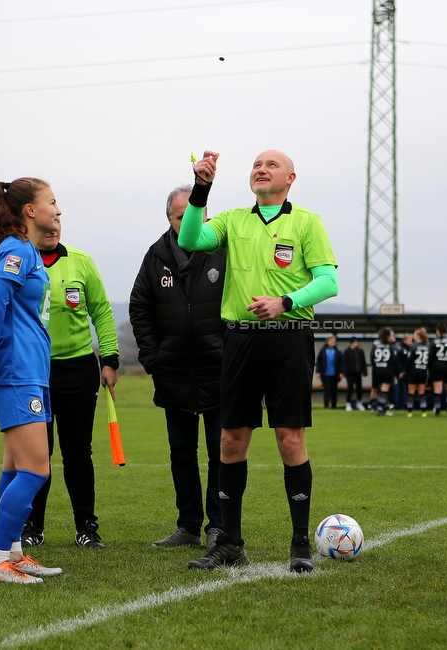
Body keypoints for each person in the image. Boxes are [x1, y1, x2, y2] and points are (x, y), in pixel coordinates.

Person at [178, 150, 338, 573]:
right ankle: (230, 541)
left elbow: (329, 281)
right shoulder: (233, 219)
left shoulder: (306, 221)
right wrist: (201, 189)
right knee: (231, 440)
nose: (260, 169)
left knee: (290, 438)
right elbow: (189, 239)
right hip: (241, 341)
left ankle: (300, 542)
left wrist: (286, 301)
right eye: (255, 165)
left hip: (289, 339)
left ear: (290, 177)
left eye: (270, 165)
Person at [0, 177, 63, 584]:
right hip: (14, 374)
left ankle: (14, 553)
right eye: (52, 202)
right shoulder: (14, 250)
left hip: (30, 373)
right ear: (29, 211)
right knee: (36, 471)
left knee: (15, 466)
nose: (58, 210)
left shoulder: (28, 251)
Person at [130, 184, 227, 549]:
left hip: (218, 371)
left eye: (193, 214)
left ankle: (218, 526)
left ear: (205, 215)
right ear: (169, 218)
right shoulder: (155, 256)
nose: (185, 220)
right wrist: (154, 358)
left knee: (221, 454)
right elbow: (139, 307)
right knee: (182, 455)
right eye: (177, 215)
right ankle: (188, 526)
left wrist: (229, 352)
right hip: (173, 374)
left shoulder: (223, 249)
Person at [20, 221, 119, 550]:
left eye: (58, 223)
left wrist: (110, 358)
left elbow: (102, 311)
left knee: (78, 452)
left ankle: (86, 528)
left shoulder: (81, 261)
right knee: (39, 452)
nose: (53, 229)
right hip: (35, 370)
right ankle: (32, 526)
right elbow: (1, 312)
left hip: (78, 369)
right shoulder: (19, 260)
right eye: (48, 225)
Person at [429, 324, 447, 416]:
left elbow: (430, 356)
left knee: (437, 389)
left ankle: (437, 409)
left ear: (438, 331)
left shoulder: (433, 342)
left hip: (436, 367)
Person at [370, 327, 397, 416]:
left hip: (377, 369)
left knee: (379, 389)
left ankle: (378, 407)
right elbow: (394, 359)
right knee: (384, 390)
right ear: (388, 336)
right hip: (387, 370)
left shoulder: (376, 345)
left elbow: (372, 357)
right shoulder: (391, 346)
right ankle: (381, 408)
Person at [406, 328, 430, 417]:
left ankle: (409, 412)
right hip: (423, 371)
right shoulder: (427, 347)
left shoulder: (413, 347)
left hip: (413, 371)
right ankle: (423, 412)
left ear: (418, 336)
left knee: (411, 392)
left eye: (414, 335)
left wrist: (406, 370)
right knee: (422, 392)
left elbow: (409, 360)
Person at [315, 334, 343, 409]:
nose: (332, 342)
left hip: (335, 374)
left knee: (334, 390)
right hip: (326, 374)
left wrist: (341, 372)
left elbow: (341, 362)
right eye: (330, 341)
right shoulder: (323, 350)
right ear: (327, 341)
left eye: (333, 341)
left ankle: (334, 405)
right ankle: (326, 405)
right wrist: (318, 371)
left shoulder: (338, 350)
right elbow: (319, 362)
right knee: (327, 390)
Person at [342, 338, 367, 411]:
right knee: (350, 388)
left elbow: (363, 361)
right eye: (355, 342)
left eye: (357, 342)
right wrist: (344, 372)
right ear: (351, 343)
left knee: (359, 388)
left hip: (358, 372)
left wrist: (364, 371)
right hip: (350, 373)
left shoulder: (360, 351)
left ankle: (359, 402)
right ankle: (348, 403)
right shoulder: (347, 351)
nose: (356, 344)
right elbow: (344, 362)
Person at [394, 333, 411, 410]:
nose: (411, 343)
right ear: (405, 341)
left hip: (408, 373)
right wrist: (401, 371)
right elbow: (398, 362)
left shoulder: (409, 349)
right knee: (402, 390)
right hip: (402, 373)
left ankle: (406, 405)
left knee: (407, 390)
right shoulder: (400, 349)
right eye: (409, 341)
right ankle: (400, 405)